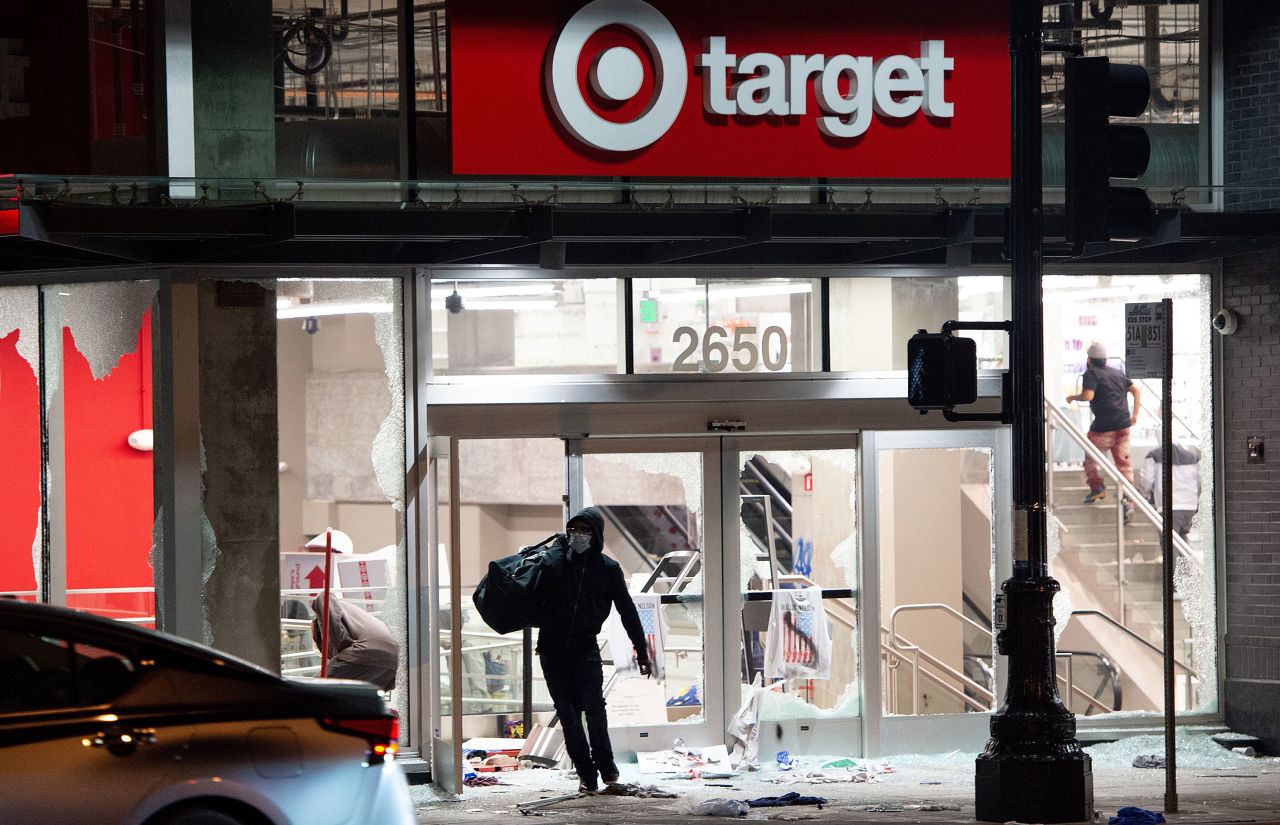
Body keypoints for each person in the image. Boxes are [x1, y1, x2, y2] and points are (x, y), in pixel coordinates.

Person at [536, 506, 651, 795]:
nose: (577, 535)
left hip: (585, 648)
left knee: (595, 710)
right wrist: (558, 549)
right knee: (568, 714)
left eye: (584, 530)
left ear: (596, 534)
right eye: (572, 530)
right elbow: (546, 576)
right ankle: (586, 774)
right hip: (551, 648)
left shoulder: (608, 569)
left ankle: (606, 765)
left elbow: (627, 611)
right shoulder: (558, 563)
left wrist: (642, 649)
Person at [1067, 342, 1141, 506]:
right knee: (1123, 463)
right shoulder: (1118, 373)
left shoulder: (1091, 374)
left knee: (1091, 458)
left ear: (1090, 359)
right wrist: (1134, 415)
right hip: (1123, 425)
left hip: (1103, 428)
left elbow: (1088, 396)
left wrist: (1073, 398)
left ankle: (1097, 489)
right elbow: (1136, 390)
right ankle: (1128, 497)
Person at [311, 593, 399, 691]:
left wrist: (341, 646)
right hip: (392, 659)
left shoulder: (323, 606)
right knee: (350, 697)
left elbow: (324, 597)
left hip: (365, 649)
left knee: (315, 688)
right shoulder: (353, 616)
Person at [1137, 443, 1202, 539]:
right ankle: (1184, 555)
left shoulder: (1154, 455)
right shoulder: (1193, 456)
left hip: (1168, 506)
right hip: (1190, 506)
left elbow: (1147, 480)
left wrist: (1144, 493)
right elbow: (1200, 480)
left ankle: (1180, 554)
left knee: (1170, 543)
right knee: (1181, 539)